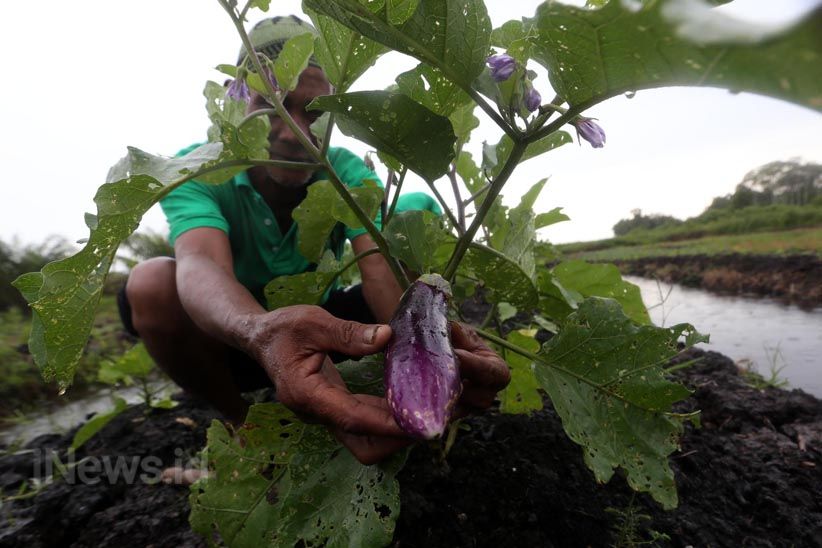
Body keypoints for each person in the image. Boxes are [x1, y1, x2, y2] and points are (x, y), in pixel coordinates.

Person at [118, 16, 510, 465]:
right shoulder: (197, 169)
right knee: (151, 283)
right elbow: (200, 264)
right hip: (228, 338)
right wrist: (259, 330)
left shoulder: (347, 170)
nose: (294, 130)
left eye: (318, 111)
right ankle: (240, 420)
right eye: (274, 106)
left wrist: (429, 353)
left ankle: (396, 395)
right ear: (242, 97)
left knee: (406, 277)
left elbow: (378, 269)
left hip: (317, 330)